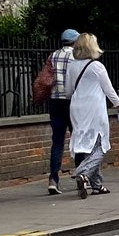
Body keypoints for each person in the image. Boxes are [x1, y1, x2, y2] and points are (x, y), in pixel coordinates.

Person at [66, 33, 119, 199]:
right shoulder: (97, 67)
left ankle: (97, 185)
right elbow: (109, 91)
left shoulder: (71, 66)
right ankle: (83, 173)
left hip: (76, 107)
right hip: (93, 108)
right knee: (100, 145)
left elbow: (68, 91)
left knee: (84, 145)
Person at [45, 29, 79, 195]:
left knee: (57, 142)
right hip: (72, 101)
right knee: (78, 139)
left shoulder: (53, 56)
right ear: (74, 41)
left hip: (55, 101)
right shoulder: (77, 57)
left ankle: (53, 179)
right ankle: (82, 177)